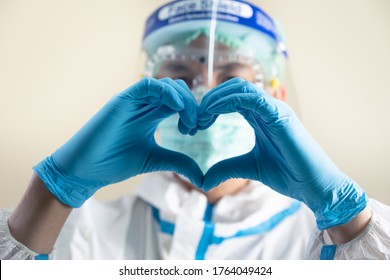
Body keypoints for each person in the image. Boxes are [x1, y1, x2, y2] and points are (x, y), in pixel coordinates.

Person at [1, 0, 389, 260]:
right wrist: (53, 192)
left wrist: (348, 217)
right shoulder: (81, 231)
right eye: (180, 75)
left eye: (232, 76)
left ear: (275, 97)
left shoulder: (319, 238)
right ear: (147, 90)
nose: (203, 92)